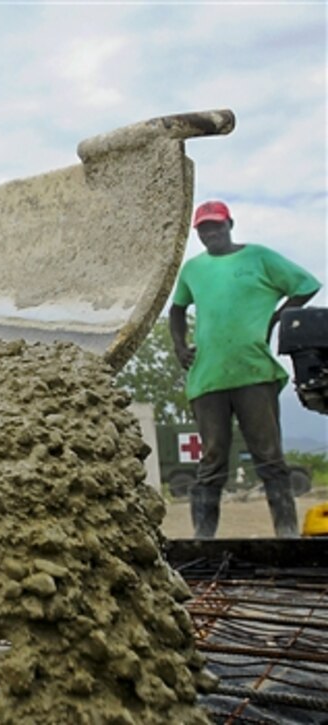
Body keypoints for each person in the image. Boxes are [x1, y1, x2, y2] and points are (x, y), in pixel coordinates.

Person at [169, 200, 321, 538]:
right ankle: (203, 540)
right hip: (208, 377)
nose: (211, 233)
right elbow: (176, 310)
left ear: (230, 224)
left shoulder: (259, 257)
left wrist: (275, 318)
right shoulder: (193, 269)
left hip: (254, 373)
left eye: (216, 226)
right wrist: (180, 347)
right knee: (211, 462)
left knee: (269, 458)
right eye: (204, 228)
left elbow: (306, 285)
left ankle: (287, 536)